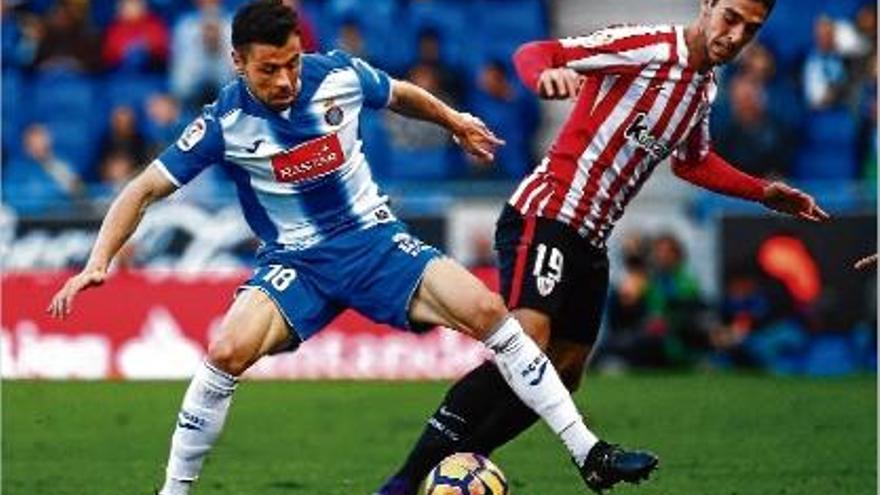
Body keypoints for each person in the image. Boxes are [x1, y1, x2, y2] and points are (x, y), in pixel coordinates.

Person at [46, 1, 647, 494]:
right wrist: (98, 262)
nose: (284, 80)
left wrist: (455, 120)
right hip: (296, 263)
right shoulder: (223, 122)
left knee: (491, 314)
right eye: (267, 71)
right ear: (237, 63)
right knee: (226, 349)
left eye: (290, 64)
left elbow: (401, 92)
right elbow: (143, 188)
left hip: (373, 242)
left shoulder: (336, 74)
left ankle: (587, 452)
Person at [376, 0, 830, 493]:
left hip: (591, 239)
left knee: (564, 372)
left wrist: (763, 192)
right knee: (526, 344)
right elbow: (537, 51)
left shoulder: (702, 89)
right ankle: (402, 484)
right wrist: (545, 78)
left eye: (751, 28)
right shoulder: (648, 47)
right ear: (707, 6)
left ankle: (465, 463)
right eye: (731, 17)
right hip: (547, 214)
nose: (736, 34)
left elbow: (692, 162)